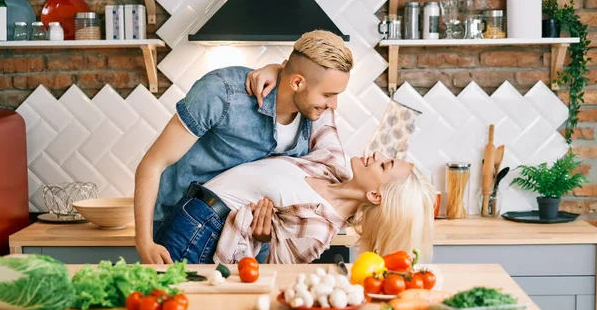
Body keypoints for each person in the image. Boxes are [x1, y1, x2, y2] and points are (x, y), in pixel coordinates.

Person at [134, 30, 354, 264]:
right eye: (329, 94)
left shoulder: (314, 117)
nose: (333, 105)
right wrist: (144, 241)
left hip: (246, 244)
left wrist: (267, 234)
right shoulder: (222, 93)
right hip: (185, 230)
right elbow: (152, 164)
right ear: (298, 82)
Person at [156, 107, 436, 264]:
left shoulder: (318, 229)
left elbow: (271, 277)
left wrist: (262, 241)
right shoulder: (331, 165)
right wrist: (276, 70)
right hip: (187, 215)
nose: (378, 154)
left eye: (385, 165)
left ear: (375, 195)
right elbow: (324, 107)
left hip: (201, 236)